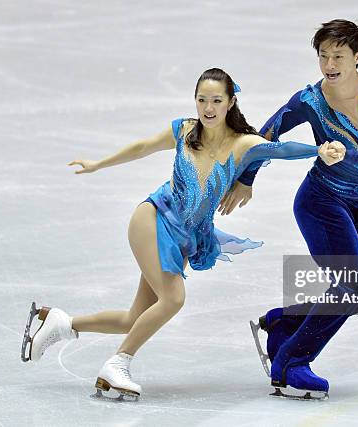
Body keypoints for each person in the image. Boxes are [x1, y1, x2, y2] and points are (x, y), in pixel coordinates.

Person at [20, 68, 339, 401]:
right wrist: (99, 164)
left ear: (231, 102)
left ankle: (61, 322)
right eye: (202, 99)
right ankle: (117, 364)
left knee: (135, 319)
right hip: (153, 218)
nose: (208, 108)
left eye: (216, 100)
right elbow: (144, 146)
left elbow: (281, 149)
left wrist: (318, 152)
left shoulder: (243, 144)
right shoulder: (186, 130)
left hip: (186, 237)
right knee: (173, 298)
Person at [219, 20, 358, 399]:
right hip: (319, 203)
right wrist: (247, 178)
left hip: (356, 202)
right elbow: (266, 138)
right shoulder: (310, 100)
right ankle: (291, 363)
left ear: (357, 56)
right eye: (323, 56)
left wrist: (349, 154)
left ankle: (282, 322)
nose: (329, 64)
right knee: (353, 284)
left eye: (338, 55)